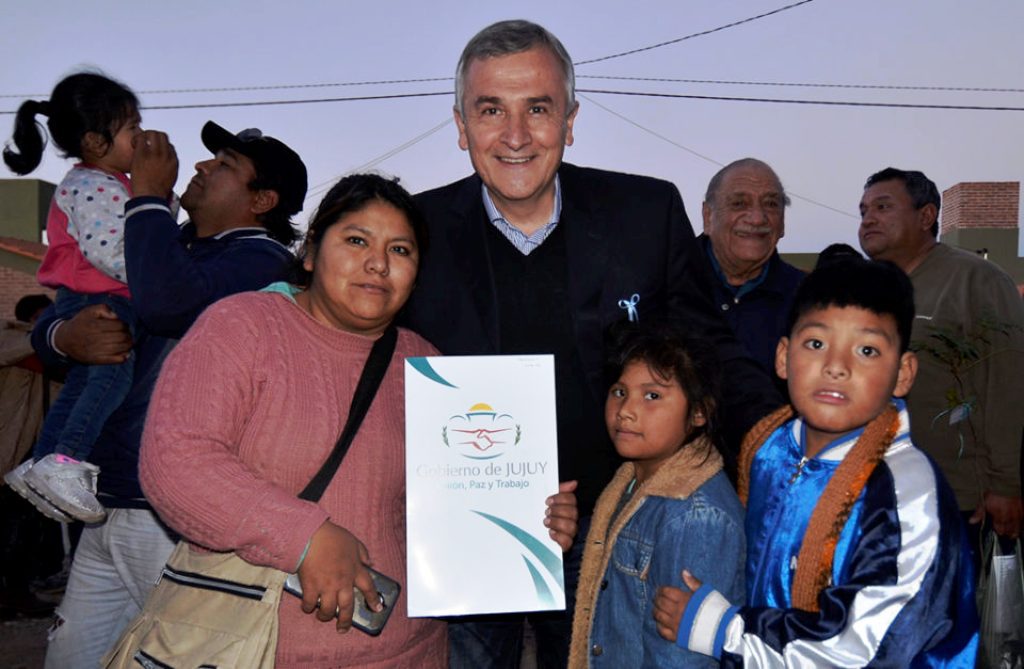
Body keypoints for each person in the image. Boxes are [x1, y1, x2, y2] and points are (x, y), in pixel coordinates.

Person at [401, 20, 781, 667]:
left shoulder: (645, 215)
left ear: (570, 120)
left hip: (612, 527)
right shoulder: (416, 231)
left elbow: (706, 346)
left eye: (538, 109)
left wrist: (779, 438)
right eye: (491, 110)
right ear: (462, 126)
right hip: (466, 536)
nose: (515, 135)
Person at [138, 174, 578, 668]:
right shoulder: (243, 326)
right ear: (310, 252)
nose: (378, 263)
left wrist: (526, 525)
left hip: (412, 652)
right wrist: (304, 537)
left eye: (400, 250)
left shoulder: (428, 367)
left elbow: (447, 510)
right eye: (356, 240)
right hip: (256, 649)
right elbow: (175, 462)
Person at [31, 120, 305, 669]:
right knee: (72, 655)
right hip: (106, 497)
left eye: (224, 164)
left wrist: (148, 199)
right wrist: (64, 337)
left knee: (174, 655)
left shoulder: (262, 260)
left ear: (262, 200)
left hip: (173, 512)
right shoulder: (166, 244)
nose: (200, 166)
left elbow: (169, 305)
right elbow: (67, 306)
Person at [654, 257, 979, 666]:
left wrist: (724, 630)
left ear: (903, 373)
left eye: (867, 350)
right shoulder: (769, 448)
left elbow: (876, 648)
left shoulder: (905, 492)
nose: (836, 367)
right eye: (816, 344)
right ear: (783, 357)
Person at [3, 73, 146, 523]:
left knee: (83, 384)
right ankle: (67, 460)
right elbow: (110, 252)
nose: (142, 137)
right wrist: (157, 275)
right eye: (132, 128)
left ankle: (44, 462)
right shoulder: (94, 185)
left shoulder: (106, 181)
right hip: (100, 296)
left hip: (86, 297)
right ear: (95, 141)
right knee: (111, 377)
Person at [859, 168, 1024, 552]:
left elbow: (1008, 384)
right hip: (877, 495)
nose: (868, 219)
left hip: (958, 500)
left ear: (926, 216)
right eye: (864, 210)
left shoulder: (976, 281)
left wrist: (1004, 485)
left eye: (883, 207)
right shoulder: (867, 288)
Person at [568, 324, 744, 668]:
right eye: (620, 391)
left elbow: (682, 659)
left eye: (652, 396)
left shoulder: (694, 517)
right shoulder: (630, 481)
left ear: (699, 412)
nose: (626, 410)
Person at [700, 158, 804, 377]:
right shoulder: (666, 282)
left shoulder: (807, 298)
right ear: (708, 216)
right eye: (739, 204)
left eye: (771, 204)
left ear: (783, 222)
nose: (757, 218)